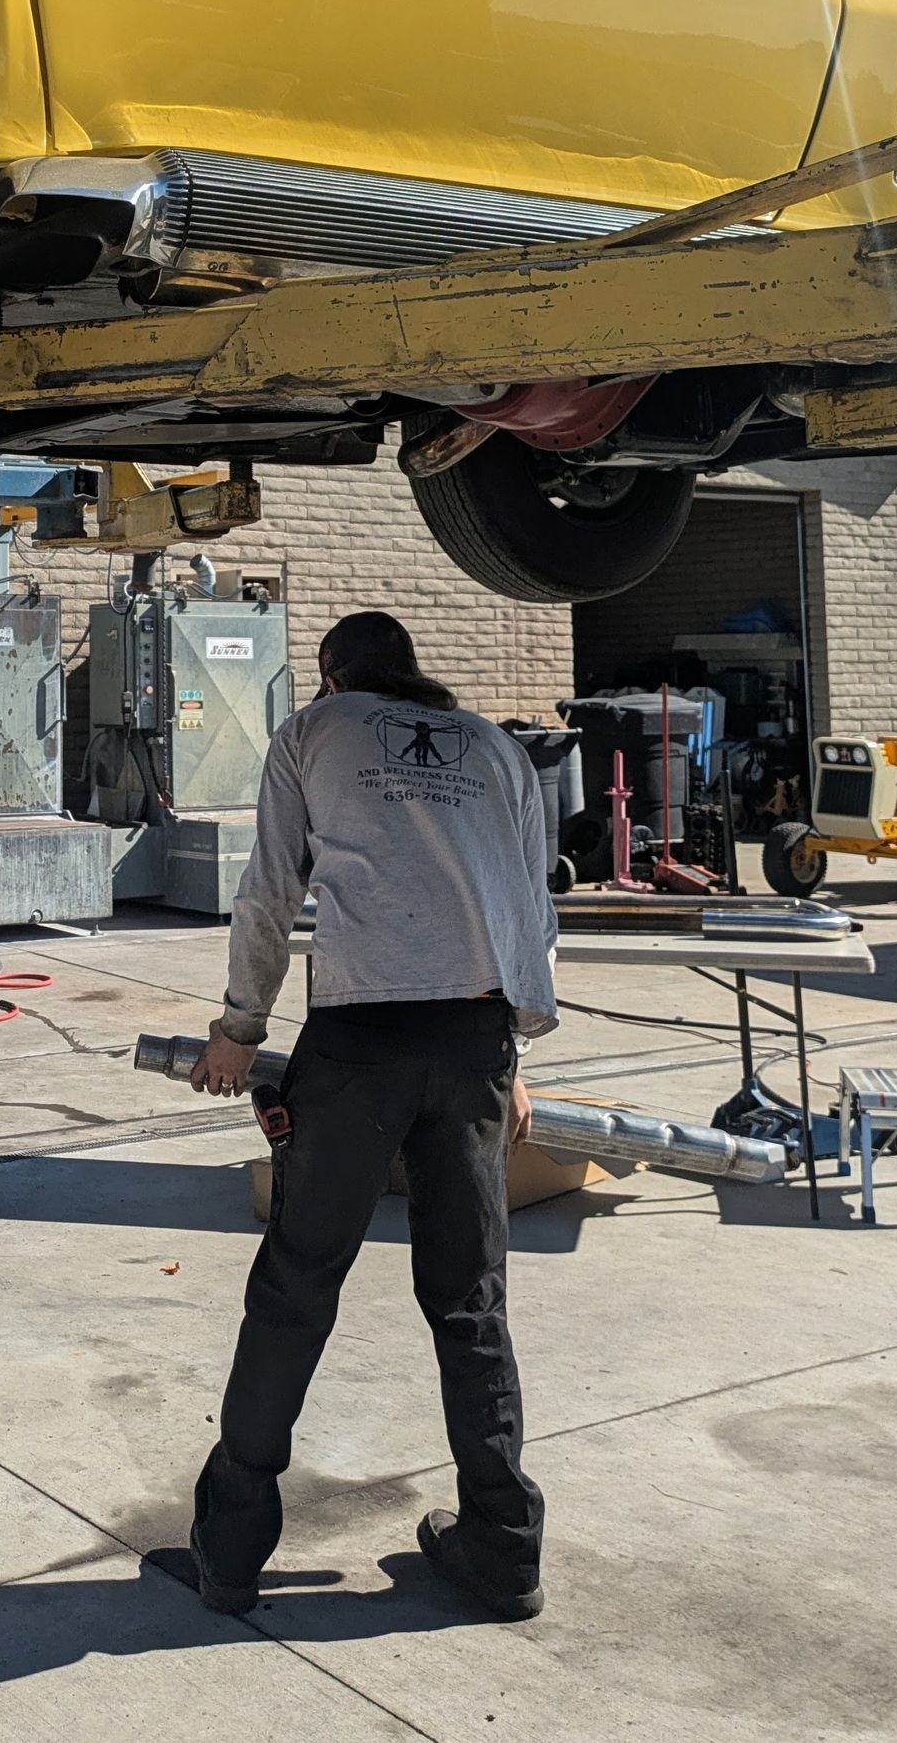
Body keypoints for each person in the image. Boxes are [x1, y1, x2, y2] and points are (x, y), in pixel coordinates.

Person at [188, 608, 558, 1621]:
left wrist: (237, 1026)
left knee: (298, 1284)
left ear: (330, 673)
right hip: (474, 1041)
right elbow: (532, 904)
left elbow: (269, 891)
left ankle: (231, 1551)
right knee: (469, 1296)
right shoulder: (495, 747)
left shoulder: (313, 733)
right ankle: (504, 1546)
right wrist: (513, 1049)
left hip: (361, 1042)